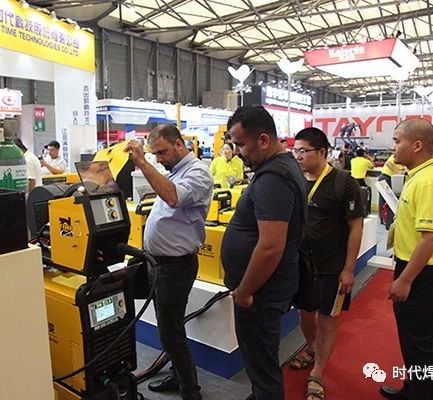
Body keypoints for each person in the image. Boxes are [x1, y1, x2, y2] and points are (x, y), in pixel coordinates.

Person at [221, 105, 306, 400]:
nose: (238, 152)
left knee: (262, 366)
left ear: (264, 140)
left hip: (260, 293)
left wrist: (245, 291)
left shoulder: (273, 177)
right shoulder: (282, 167)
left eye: (241, 144)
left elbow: (271, 246)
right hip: (268, 288)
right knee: (261, 361)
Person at [124, 125, 213, 400]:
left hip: (175, 267)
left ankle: (190, 392)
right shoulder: (174, 171)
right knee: (171, 328)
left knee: (170, 332)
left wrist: (142, 163)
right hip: (158, 263)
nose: (159, 158)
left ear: (179, 144)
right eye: (155, 154)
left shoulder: (197, 172)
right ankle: (178, 376)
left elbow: (173, 197)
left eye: (162, 152)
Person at [379, 119, 433, 400]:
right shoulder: (419, 174)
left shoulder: (428, 181)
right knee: (418, 343)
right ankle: (413, 390)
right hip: (422, 270)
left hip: (425, 274)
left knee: (419, 346)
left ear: (417, 145)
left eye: (397, 141)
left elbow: (429, 239)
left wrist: (405, 279)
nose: (393, 147)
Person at [289, 127, 365, 400]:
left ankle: (317, 373)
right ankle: (313, 347)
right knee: (305, 313)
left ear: (321, 152)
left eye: (303, 151)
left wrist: (349, 269)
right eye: (295, 151)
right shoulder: (295, 179)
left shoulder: (344, 182)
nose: (297, 156)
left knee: (327, 320)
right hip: (302, 264)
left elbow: (355, 227)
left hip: (332, 266)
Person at [379, 154, 406, 228]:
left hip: (387, 178)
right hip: (385, 177)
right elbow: (388, 163)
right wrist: (397, 171)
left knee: (386, 199)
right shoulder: (396, 155)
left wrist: (401, 170)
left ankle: (384, 218)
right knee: (385, 199)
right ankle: (383, 218)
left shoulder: (401, 160)